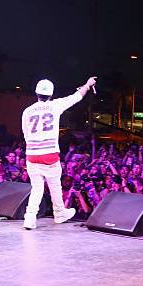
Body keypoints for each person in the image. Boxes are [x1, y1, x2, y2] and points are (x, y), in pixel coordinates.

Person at [21, 76, 97, 230]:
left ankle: (30, 217)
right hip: (49, 153)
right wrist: (88, 85)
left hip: (32, 154)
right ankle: (59, 213)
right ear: (51, 94)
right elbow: (76, 97)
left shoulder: (27, 111)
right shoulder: (55, 106)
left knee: (36, 188)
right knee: (55, 185)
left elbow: (25, 133)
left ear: (36, 93)